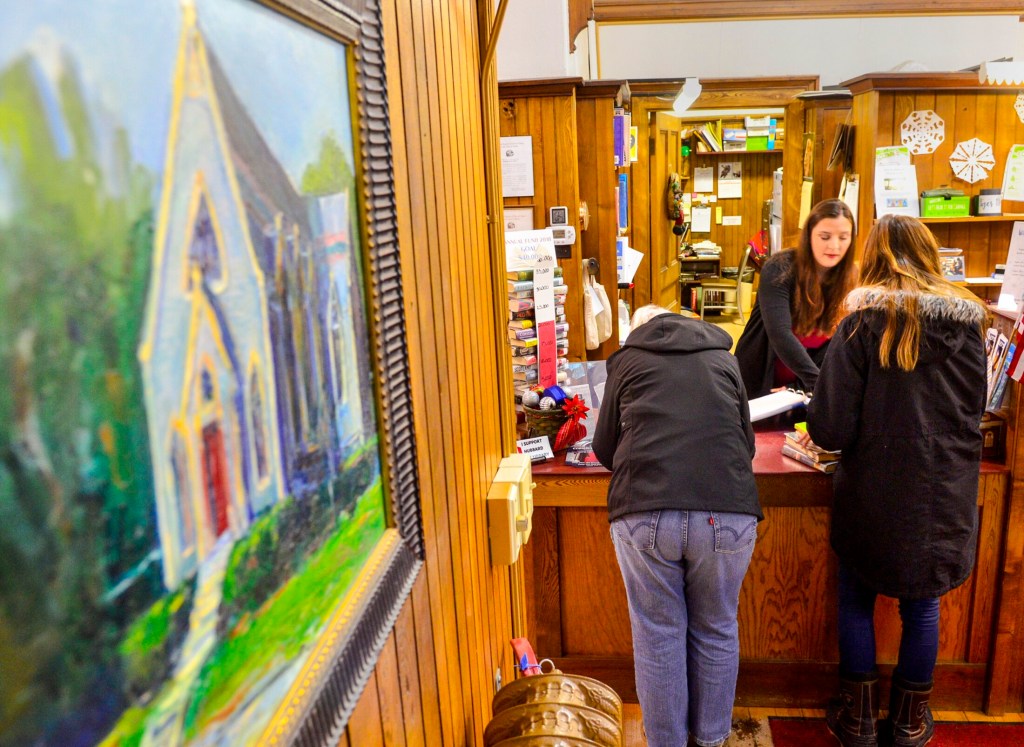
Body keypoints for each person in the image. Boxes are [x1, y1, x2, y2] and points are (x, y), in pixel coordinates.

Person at [805, 215, 987, 747]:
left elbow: (830, 428)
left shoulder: (860, 324)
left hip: (874, 488)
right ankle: (909, 724)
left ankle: (858, 720)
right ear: (932, 256)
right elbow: (973, 409)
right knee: (923, 604)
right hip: (944, 488)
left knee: (856, 598)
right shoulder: (970, 325)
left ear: (874, 256)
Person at [593, 305, 762, 747]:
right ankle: (711, 740)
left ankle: (665, 742)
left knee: (657, 633)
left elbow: (605, 447)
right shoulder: (725, 359)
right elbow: (745, 445)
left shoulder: (627, 361)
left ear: (640, 330)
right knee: (718, 626)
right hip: (726, 512)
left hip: (644, 511)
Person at [734, 198, 858, 398]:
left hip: (804, 383)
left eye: (843, 237)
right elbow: (779, 333)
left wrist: (804, 384)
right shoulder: (780, 267)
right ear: (809, 236)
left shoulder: (851, 277)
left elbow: (838, 341)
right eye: (824, 237)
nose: (834, 246)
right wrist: (820, 386)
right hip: (761, 375)